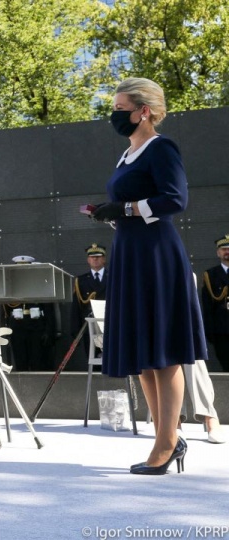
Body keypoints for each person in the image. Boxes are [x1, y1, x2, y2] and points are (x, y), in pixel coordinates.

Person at [91, 77, 207, 475]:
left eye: (121, 108)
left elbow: (175, 198)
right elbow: (133, 202)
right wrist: (108, 210)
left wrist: (122, 210)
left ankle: (166, 442)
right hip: (130, 253)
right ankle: (166, 437)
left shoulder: (161, 147)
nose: (115, 115)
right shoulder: (127, 154)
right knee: (144, 355)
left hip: (156, 254)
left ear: (143, 110)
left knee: (164, 352)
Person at [3, 256, 58, 372]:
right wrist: (6, 327)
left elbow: (48, 309)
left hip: (36, 325)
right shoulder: (11, 286)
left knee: (37, 360)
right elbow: (5, 310)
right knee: (20, 360)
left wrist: (49, 330)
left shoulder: (39, 284)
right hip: (17, 325)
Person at [68, 244, 108, 371]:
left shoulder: (115, 277)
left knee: (111, 362)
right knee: (94, 363)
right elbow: (76, 307)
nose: (95, 259)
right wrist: (76, 331)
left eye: (98, 256)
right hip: (89, 328)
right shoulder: (81, 281)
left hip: (110, 325)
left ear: (104, 259)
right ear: (88, 260)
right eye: (92, 257)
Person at [200, 234, 229, 373]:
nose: (227, 251)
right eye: (223, 249)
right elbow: (207, 306)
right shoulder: (210, 275)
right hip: (222, 331)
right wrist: (210, 332)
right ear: (218, 252)